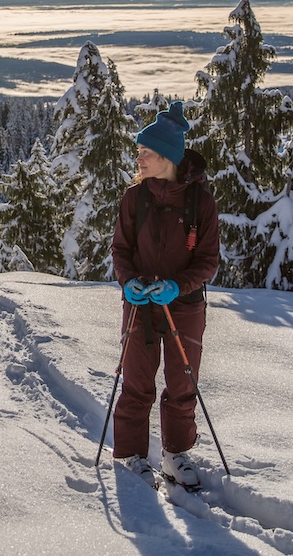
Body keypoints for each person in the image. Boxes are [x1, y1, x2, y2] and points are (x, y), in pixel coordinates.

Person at [110, 100, 220, 488]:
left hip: (185, 307)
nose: (138, 159)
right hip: (140, 305)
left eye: (146, 153)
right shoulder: (133, 199)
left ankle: (175, 455)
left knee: (182, 384)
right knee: (137, 381)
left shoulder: (200, 202)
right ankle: (131, 456)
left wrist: (178, 286)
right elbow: (120, 251)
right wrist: (129, 282)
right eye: (138, 152)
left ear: (168, 157)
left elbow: (208, 261)